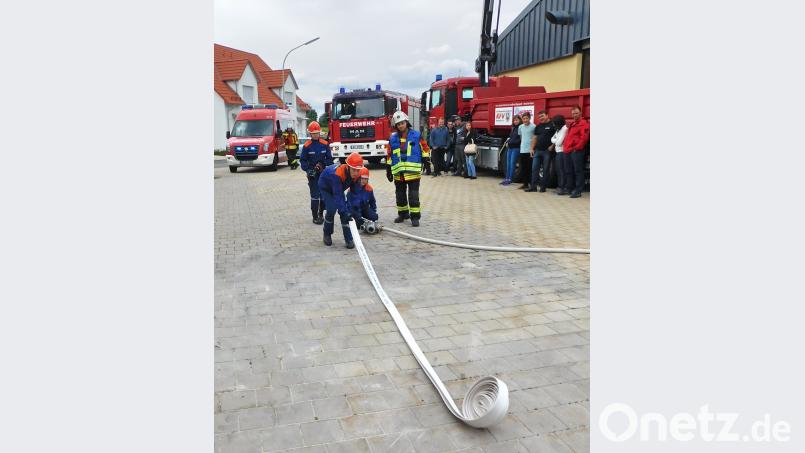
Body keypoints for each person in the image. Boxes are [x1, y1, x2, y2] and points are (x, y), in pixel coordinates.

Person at [386, 110, 430, 227]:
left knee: (413, 196)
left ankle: (415, 217)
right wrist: (388, 168)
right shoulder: (392, 139)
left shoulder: (416, 135)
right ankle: (403, 214)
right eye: (398, 124)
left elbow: (425, 148)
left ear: (406, 122)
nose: (401, 125)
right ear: (396, 126)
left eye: (402, 123)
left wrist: (426, 160)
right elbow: (390, 154)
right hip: (399, 173)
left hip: (413, 172)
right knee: (400, 195)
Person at [318, 152, 363, 248]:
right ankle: (327, 233)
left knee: (347, 212)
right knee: (332, 209)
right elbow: (338, 196)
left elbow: (355, 194)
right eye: (354, 170)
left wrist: (355, 209)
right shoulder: (337, 174)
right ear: (348, 167)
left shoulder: (357, 175)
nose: (356, 173)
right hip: (326, 187)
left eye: (358, 170)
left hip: (338, 188)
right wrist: (344, 211)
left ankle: (348, 239)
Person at [299, 121, 331, 224]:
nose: (315, 135)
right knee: (315, 196)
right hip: (313, 175)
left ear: (319, 132)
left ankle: (321, 214)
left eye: (317, 133)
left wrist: (322, 164)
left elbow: (330, 159)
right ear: (310, 134)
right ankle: (315, 217)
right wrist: (308, 170)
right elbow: (303, 160)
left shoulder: (325, 144)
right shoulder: (307, 146)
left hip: (323, 174)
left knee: (323, 196)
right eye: (313, 133)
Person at [562, 105, 590, 198]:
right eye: (573, 113)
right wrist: (566, 147)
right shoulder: (573, 124)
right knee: (568, 171)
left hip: (576, 151)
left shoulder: (584, 124)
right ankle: (569, 188)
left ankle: (578, 191)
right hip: (568, 150)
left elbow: (584, 138)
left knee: (578, 171)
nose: (574, 115)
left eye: (576, 113)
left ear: (580, 113)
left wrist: (576, 148)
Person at [527, 110, 556, 192]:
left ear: (547, 115)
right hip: (537, 150)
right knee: (534, 169)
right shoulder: (538, 126)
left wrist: (552, 146)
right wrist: (531, 148)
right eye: (539, 117)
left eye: (542, 116)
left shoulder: (552, 125)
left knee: (546, 170)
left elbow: (557, 136)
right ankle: (533, 187)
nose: (541, 118)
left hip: (547, 151)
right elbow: (534, 138)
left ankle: (543, 187)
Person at [517, 111, 536, 189]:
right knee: (523, 168)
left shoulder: (533, 126)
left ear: (529, 118)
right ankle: (525, 184)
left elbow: (535, 138)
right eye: (524, 118)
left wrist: (532, 148)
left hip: (530, 150)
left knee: (530, 168)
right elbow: (521, 137)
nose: (525, 120)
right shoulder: (520, 127)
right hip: (522, 150)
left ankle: (531, 184)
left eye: (526, 118)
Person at [550, 115, 569, 195]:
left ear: (558, 122)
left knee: (562, 171)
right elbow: (551, 138)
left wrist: (555, 140)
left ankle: (563, 188)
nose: (553, 125)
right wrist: (556, 140)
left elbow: (559, 143)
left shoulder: (564, 129)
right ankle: (560, 187)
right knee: (559, 170)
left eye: (554, 123)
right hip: (558, 152)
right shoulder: (558, 129)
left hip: (562, 152)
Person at [501, 115, 521, 186]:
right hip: (510, 148)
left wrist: (510, 143)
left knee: (512, 164)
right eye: (514, 120)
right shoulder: (513, 128)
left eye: (517, 120)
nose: (515, 121)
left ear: (519, 120)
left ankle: (510, 179)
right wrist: (507, 142)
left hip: (516, 148)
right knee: (508, 164)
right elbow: (511, 137)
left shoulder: (520, 128)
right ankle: (506, 178)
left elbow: (520, 139)